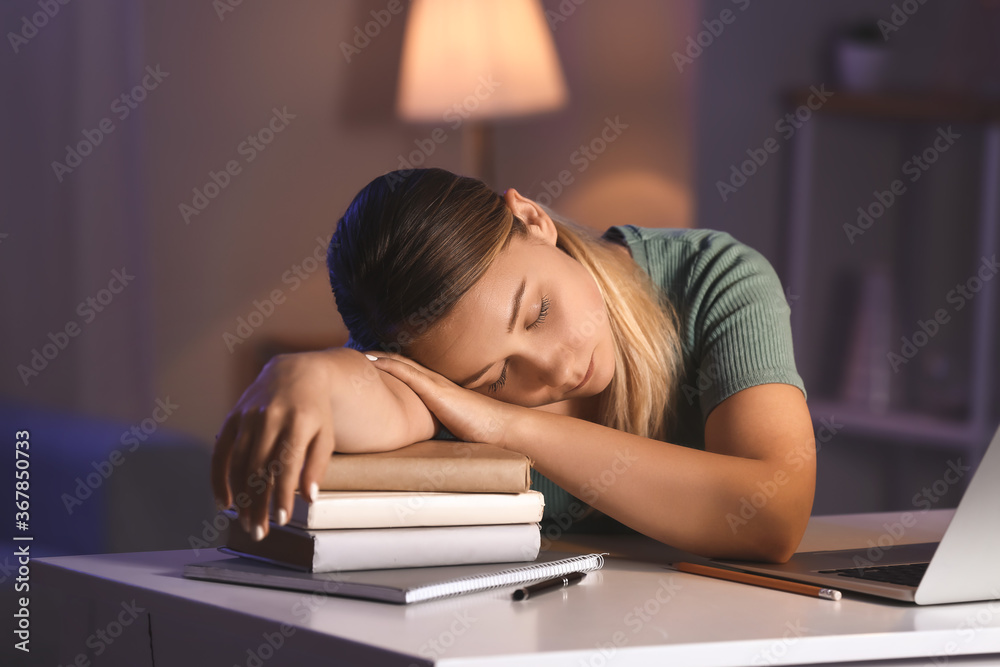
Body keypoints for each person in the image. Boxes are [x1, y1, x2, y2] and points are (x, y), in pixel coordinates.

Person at [211, 167, 815, 562]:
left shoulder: (712, 279)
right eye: (494, 379)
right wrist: (305, 375)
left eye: (537, 313)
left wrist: (506, 422)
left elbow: (773, 514)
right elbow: (373, 389)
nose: (550, 370)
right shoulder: (440, 369)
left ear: (532, 219)